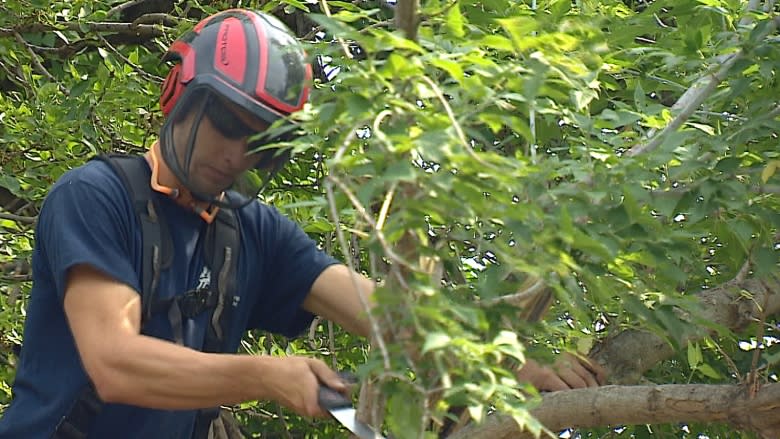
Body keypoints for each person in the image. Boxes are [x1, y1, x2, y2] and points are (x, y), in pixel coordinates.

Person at [0, 8, 604, 438]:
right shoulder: (95, 197)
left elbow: (395, 318)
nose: (238, 154)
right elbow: (115, 363)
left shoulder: (251, 232)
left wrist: (518, 369)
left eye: (261, 141)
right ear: (179, 92)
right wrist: (264, 375)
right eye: (228, 123)